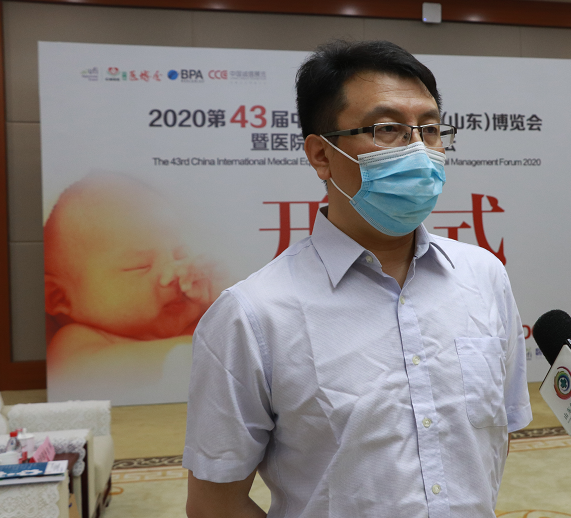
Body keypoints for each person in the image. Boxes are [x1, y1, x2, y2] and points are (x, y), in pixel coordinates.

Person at [184, 40, 532, 518]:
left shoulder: (484, 276)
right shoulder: (252, 315)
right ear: (321, 155)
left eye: (430, 130)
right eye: (387, 129)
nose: (418, 150)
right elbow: (214, 504)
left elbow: (493, 440)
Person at [44, 173, 222, 386]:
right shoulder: (78, 343)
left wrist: (221, 295)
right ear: (59, 297)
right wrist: (215, 350)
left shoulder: (201, 311)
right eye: (140, 266)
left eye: (180, 255)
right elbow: (85, 375)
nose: (173, 272)